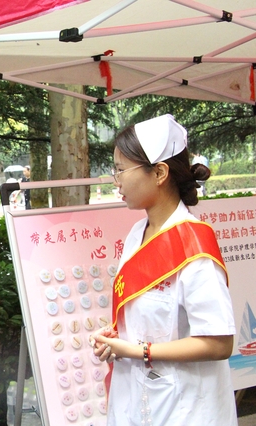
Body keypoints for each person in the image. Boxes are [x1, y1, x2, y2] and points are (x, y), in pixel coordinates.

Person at [90, 115, 236, 425]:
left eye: (121, 169)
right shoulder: (136, 235)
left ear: (159, 173)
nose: (116, 180)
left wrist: (139, 350)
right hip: (137, 399)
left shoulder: (194, 244)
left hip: (187, 408)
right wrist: (116, 337)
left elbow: (219, 342)